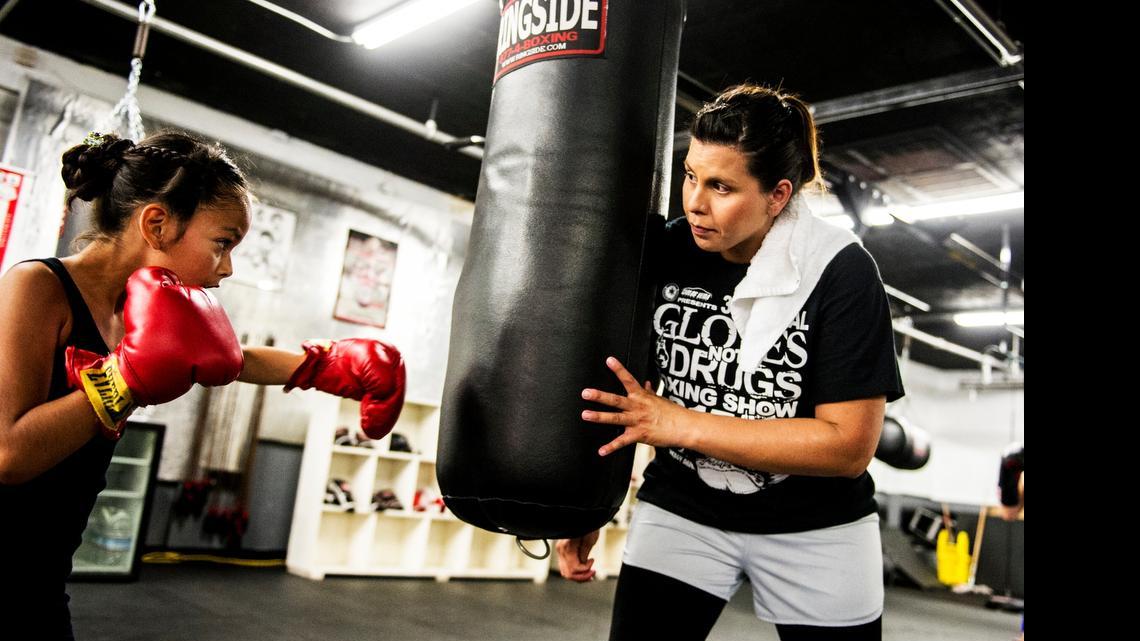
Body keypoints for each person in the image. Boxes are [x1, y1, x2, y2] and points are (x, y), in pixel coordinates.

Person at [0, 130, 405, 639]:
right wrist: (122, 377)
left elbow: (234, 359)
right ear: (157, 223)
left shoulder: (137, 313)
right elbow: (7, 453)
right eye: (222, 243)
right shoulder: (37, 286)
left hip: (40, 577)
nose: (228, 268)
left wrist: (323, 365)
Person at [556, 84, 905, 641]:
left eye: (721, 186)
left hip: (816, 526)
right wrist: (586, 505)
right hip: (684, 509)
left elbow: (847, 446)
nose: (695, 201)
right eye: (692, 175)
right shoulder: (670, 250)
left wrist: (678, 422)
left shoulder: (839, 271)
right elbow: (621, 395)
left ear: (777, 195)